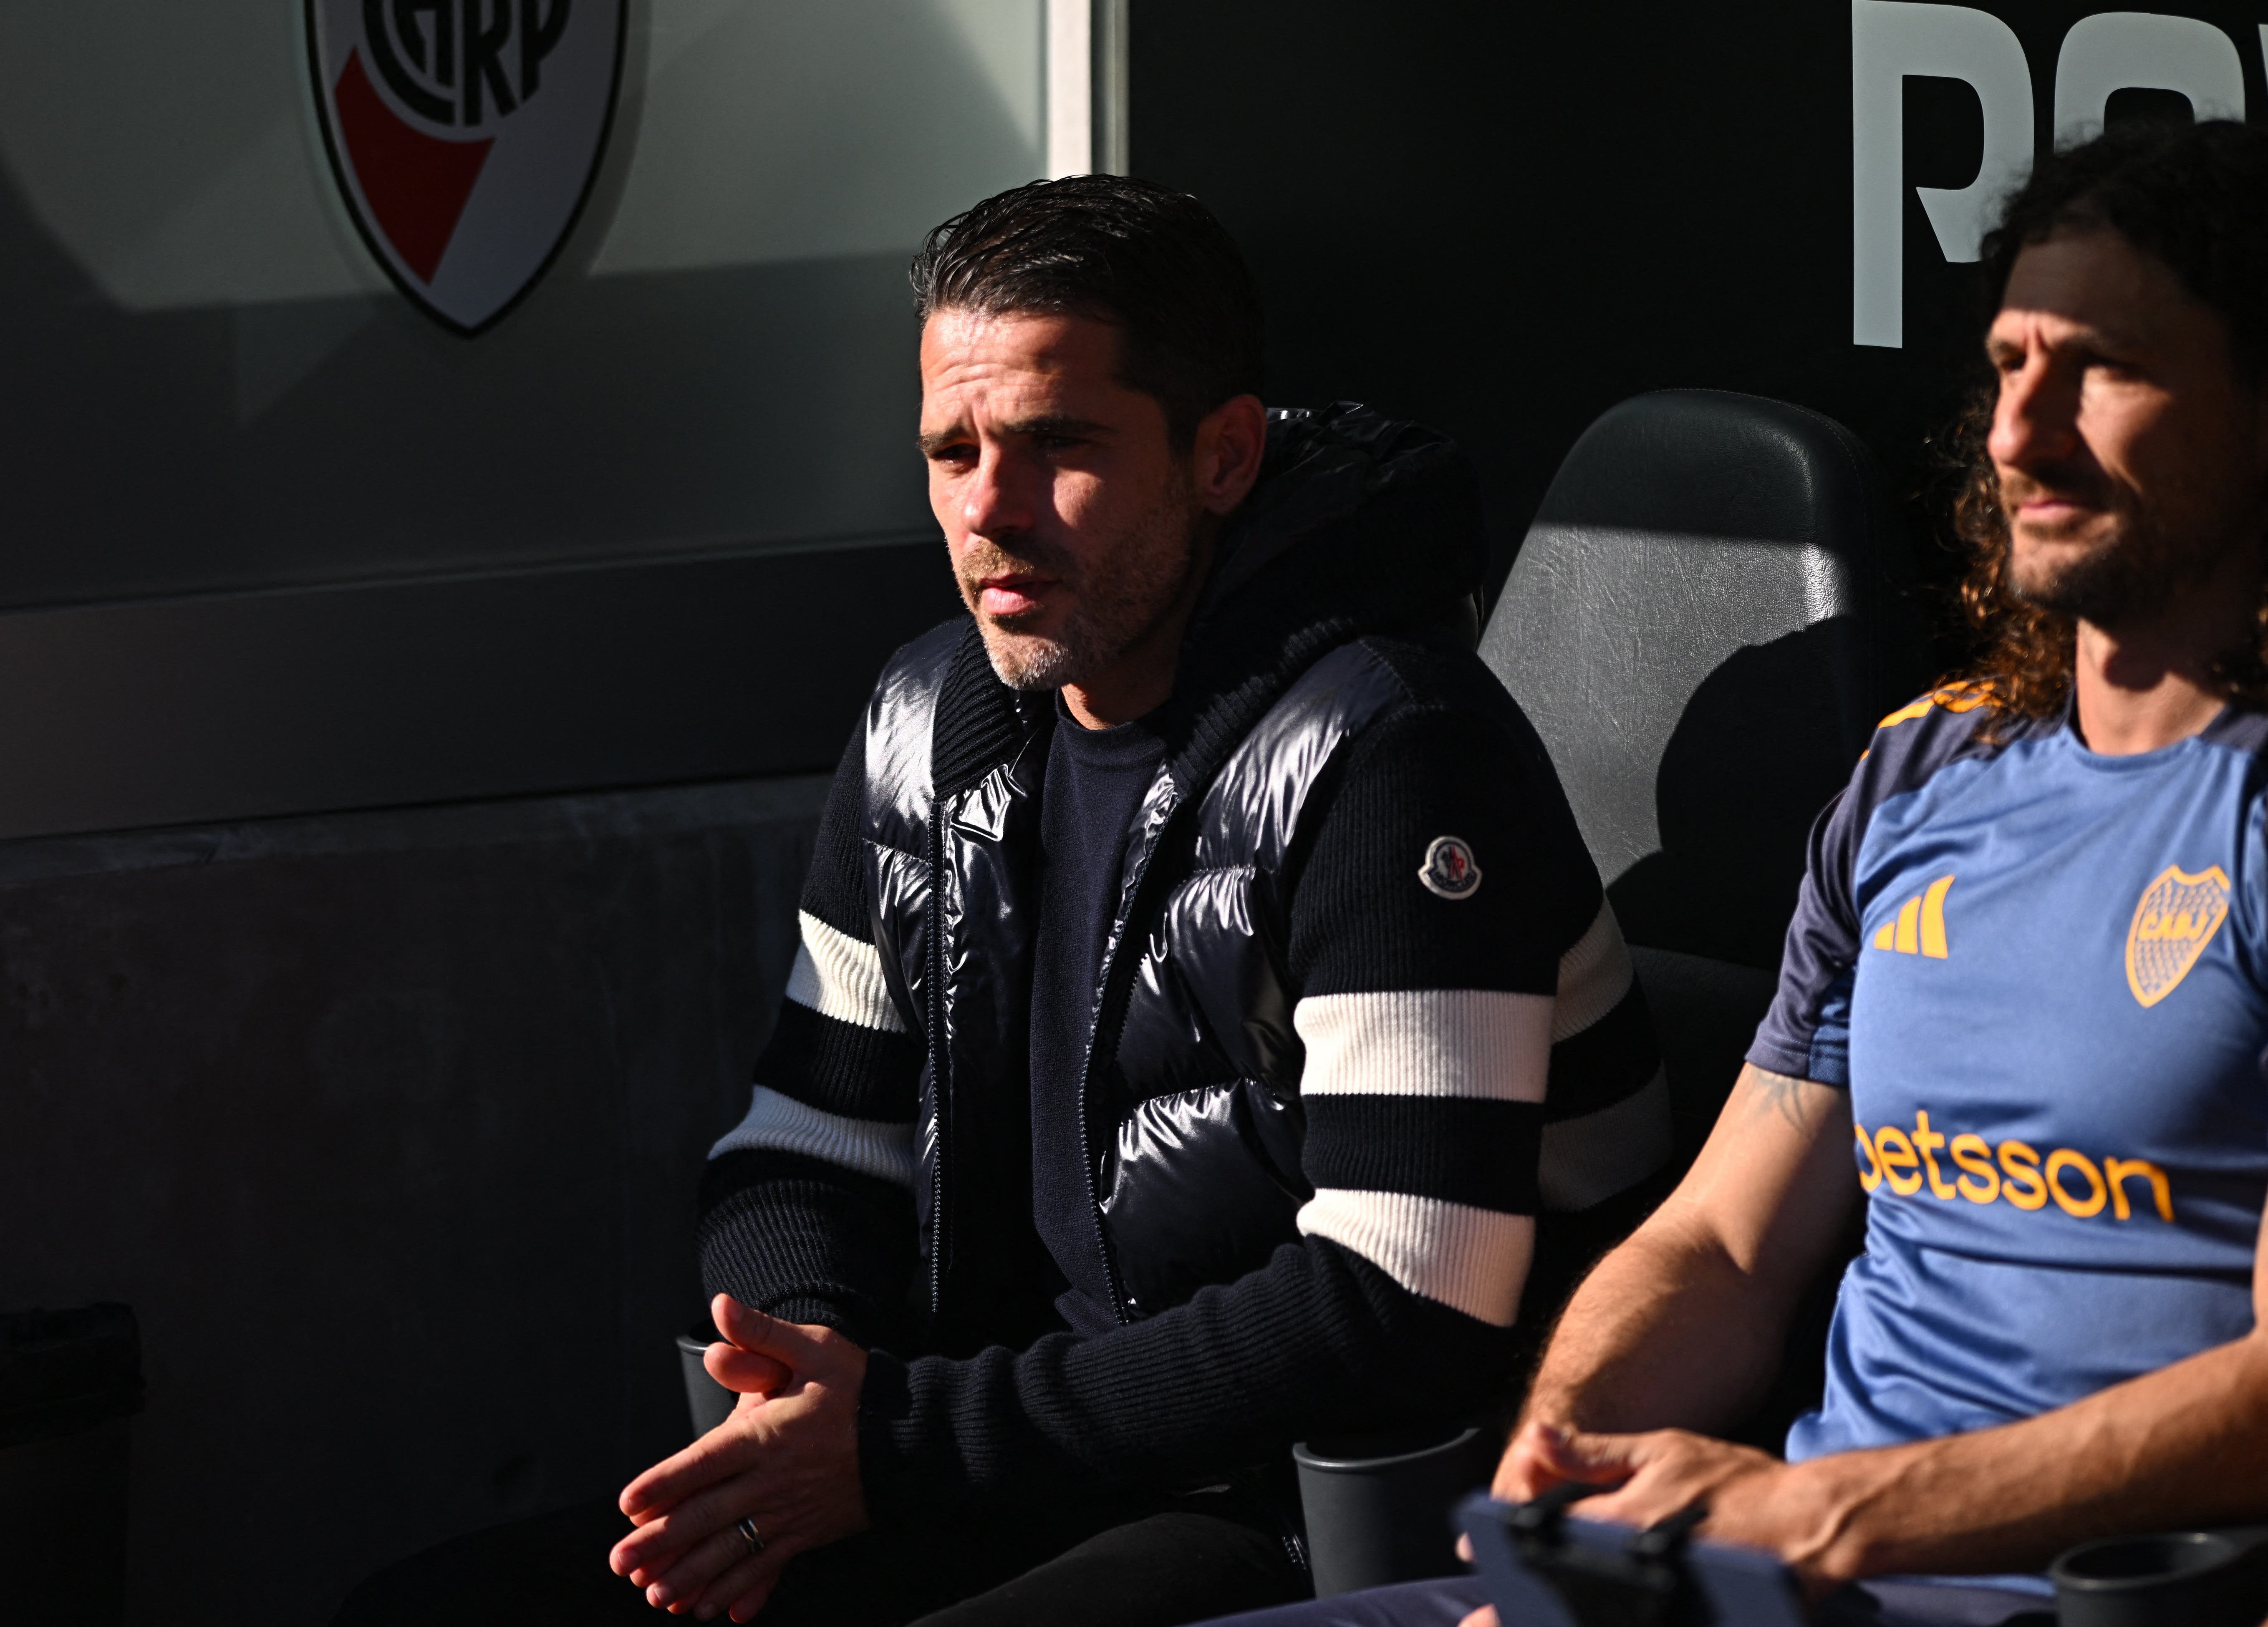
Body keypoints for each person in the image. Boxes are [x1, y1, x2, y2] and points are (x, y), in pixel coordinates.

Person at [1197, 116, 2268, 1627]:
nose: (2019, 434)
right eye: (2010, 366)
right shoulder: (1920, 772)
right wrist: (1560, 1478)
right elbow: (1723, 1245)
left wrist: (1822, 1511)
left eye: (2103, 369)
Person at [562, 174, 1665, 1627]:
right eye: (951, 452)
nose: (988, 509)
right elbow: (805, 1144)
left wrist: (898, 1440)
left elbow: (1405, 1292)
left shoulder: (1392, 746)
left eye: (1057, 446)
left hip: (1312, 1507)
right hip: (1008, 1452)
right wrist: (802, 1373)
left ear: (1222, 455)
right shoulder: (928, 721)